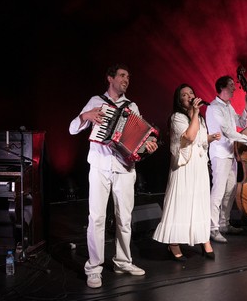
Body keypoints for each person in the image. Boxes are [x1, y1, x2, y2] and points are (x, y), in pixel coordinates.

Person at [69, 63, 159, 288]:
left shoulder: (132, 106)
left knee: (124, 218)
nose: (126, 80)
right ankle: (94, 268)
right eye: (121, 75)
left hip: (125, 168)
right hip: (100, 165)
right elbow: (72, 129)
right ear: (110, 78)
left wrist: (149, 142)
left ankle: (123, 261)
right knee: (97, 218)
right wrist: (86, 116)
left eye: (128, 76)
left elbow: (139, 136)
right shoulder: (95, 101)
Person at [153, 83, 220, 261]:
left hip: (198, 165)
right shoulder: (177, 117)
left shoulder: (201, 119)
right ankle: (173, 242)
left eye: (191, 93)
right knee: (180, 202)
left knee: (199, 201)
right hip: (183, 166)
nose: (189, 96)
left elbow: (198, 138)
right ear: (179, 100)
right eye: (184, 94)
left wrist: (209, 138)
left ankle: (203, 239)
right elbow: (189, 137)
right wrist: (196, 113)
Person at [205, 75, 247, 243]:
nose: (234, 88)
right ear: (222, 87)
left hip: (231, 153)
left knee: (230, 191)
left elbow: (242, 121)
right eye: (231, 85)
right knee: (218, 192)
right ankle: (213, 228)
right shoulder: (214, 108)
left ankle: (224, 224)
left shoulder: (228, 107)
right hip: (220, 154)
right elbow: (228, 132)